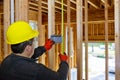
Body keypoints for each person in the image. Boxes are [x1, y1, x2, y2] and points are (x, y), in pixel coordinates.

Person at [0, 21, 69, 80]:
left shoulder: (6, 62)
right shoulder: (36, 70)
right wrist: (64, 62)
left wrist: (44, 48)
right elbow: (60, 78)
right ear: (28, 47)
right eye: (33, 42)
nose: (34, 44)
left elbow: (28, 56)